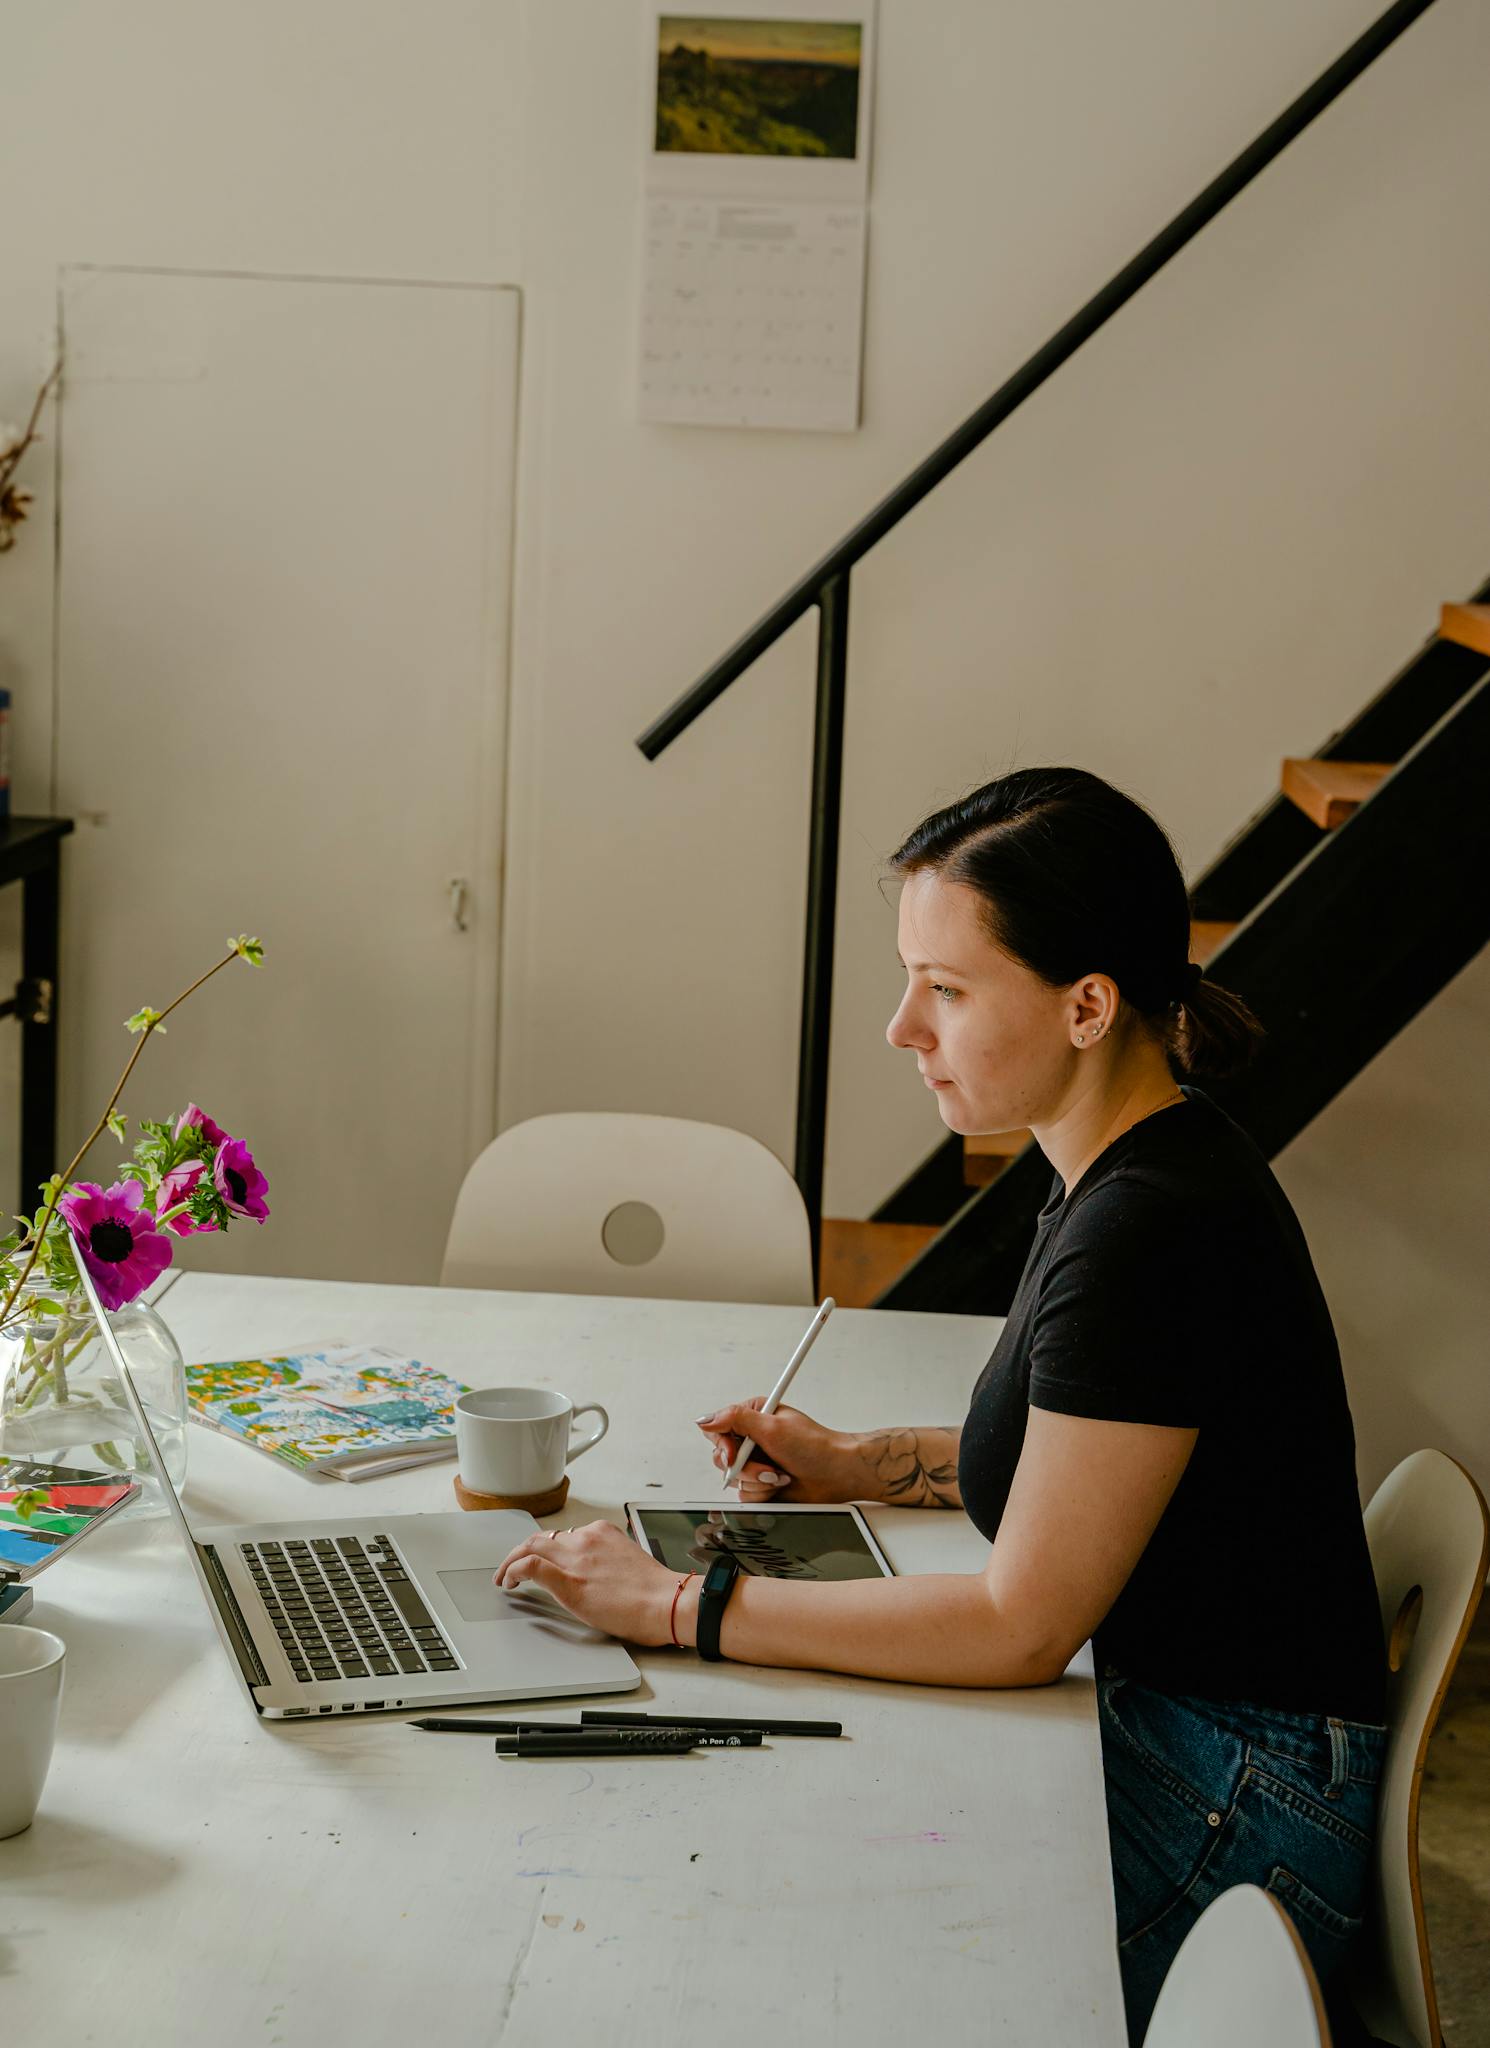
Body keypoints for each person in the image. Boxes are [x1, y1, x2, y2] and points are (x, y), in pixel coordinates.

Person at [494, 766, 1387, 2043]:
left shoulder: (1150, 1228)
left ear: (1087, 1005)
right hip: (1206, 1744)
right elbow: (1085, 1453)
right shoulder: (1122, 1164)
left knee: (800, 1930)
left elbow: (1016, 1622)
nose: (902, 1026)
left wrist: (676, 1603)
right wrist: (859, 1461)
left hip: (1241, 1803)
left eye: (947, 989)